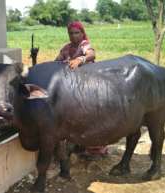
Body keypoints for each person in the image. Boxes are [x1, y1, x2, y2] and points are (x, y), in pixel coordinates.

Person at [55, 21, 108, 157]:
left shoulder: (84, 45)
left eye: (77, 33)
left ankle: (96, 148)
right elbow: (55, 62)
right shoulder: (66, 48)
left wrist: (80, 60)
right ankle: (76, 145)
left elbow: (91, 54)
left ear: (82, 33)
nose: (74, 36)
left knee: (91, 115)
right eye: (71, 33)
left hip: (88, 84)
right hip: (72, 87)